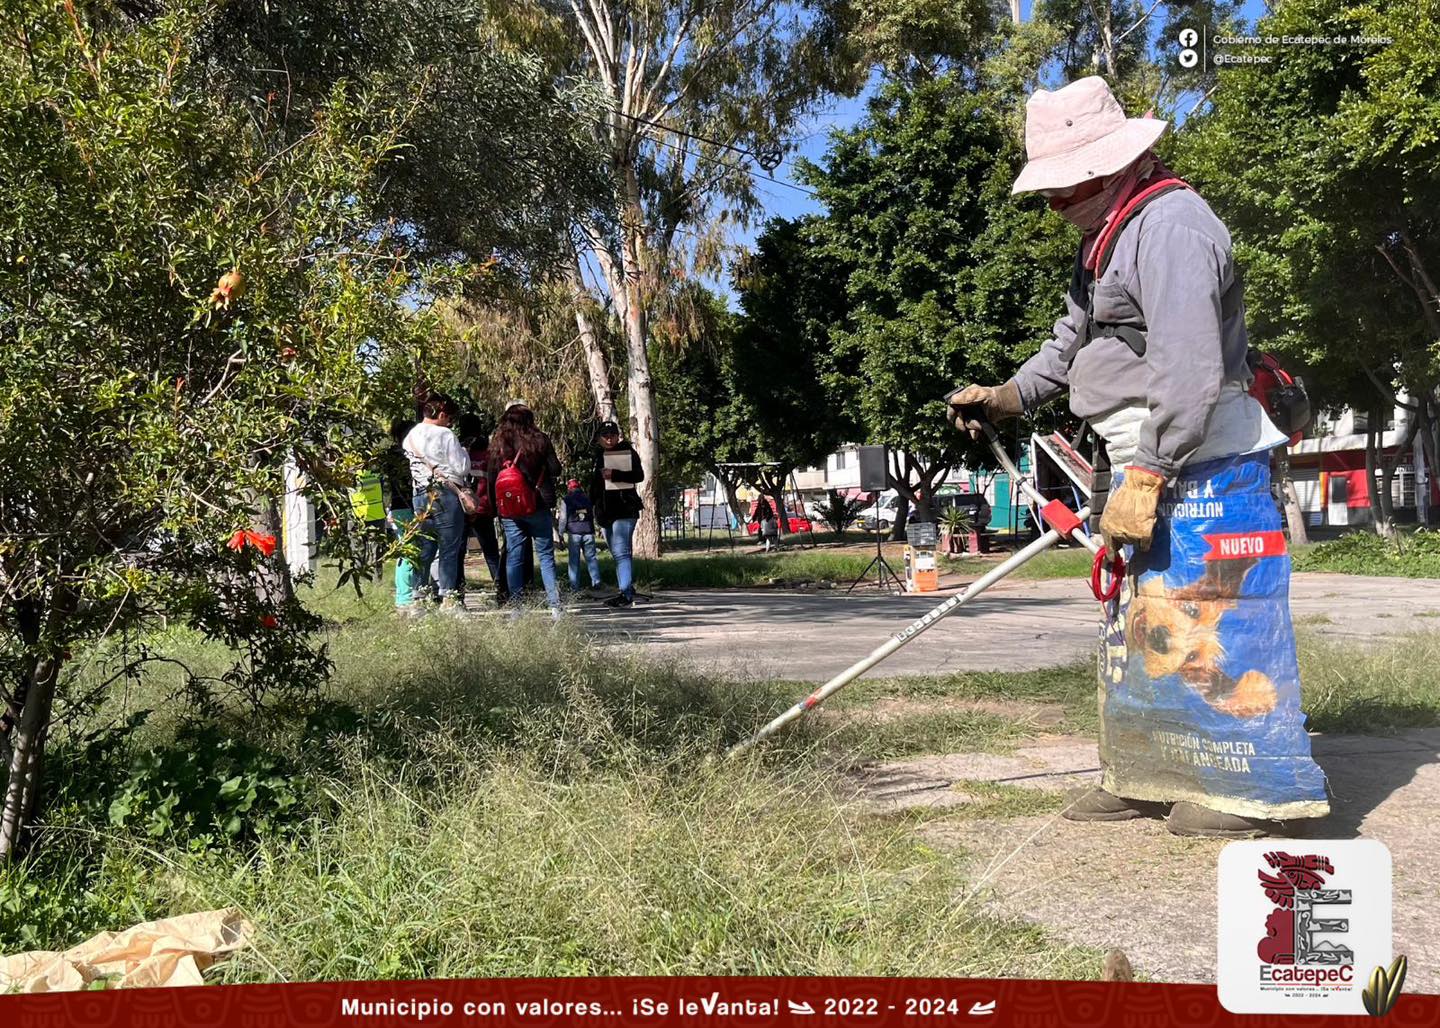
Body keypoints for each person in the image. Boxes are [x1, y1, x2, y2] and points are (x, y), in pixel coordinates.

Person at [944, 76, 1328, 839]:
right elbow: (1072, 342)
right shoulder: (1106, 236)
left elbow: (1187, 368)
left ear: (1113, 164)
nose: (1053, 203)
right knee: (1141, 627)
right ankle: (1147, 770)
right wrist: (1008, 396)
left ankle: (1239, 789)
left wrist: (1150, 473)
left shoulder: (1173, 226)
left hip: (1202, 461)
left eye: (1064, 185)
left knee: (1216, 615)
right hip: (1143, 461)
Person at [486, 400, 564, 617]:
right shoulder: (540, 440)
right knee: (546, 556)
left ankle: (517, 608)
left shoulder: (498, 444)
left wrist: (496, 509)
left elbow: (492, 478)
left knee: (514, 557)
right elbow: (555, 469)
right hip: (537, 504)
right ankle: (555, 607)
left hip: (510, 509)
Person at [403, 392, 470, 612]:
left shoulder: (410, 436)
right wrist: (465, 453)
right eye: (449, 417)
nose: (450, 422)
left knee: (425, 547)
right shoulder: (445, 434)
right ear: (441, 414)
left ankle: (419, 597)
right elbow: (461, 467)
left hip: (420, 495)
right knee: (449, 547)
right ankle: (449, 597)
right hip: (446, 494)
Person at [589, 420, 645, 608]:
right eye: (605, 436)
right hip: (605, 512)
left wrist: (616, 474)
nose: (609, 439)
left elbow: (639, 476)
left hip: (624, 509)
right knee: (617, 553)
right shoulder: (597, 456)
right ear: (599, 439)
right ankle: (626, 586)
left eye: (613, 435)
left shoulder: (627, 452)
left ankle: (626, 593)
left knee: (622, 552)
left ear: (618, 436)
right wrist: (592, 506)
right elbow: (594, 486)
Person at [455, 412, 505, 605]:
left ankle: (457, 596)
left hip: (462, 508)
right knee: (491, 552)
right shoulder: (489, 451)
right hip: (484, 507)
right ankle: (501, 591)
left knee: (458, 552)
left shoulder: (458, 449)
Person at [380, 418, 417, 612]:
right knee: (410, 550)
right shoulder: (408, 454)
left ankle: (405, 594)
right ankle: (405, 596)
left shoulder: (390, 456)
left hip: (396, 506)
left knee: (405, 549)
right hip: (409, 506)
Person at [562, 477, 603, 594]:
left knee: (574, 561)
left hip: (574, 533)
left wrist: (560, 533)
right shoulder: (587, 498)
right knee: (592, 558)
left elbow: (563, 518)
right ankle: (597, 583)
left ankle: (574, 588)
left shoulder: (566, 499)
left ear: (569, 488)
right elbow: (593, 514)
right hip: (588, 532)